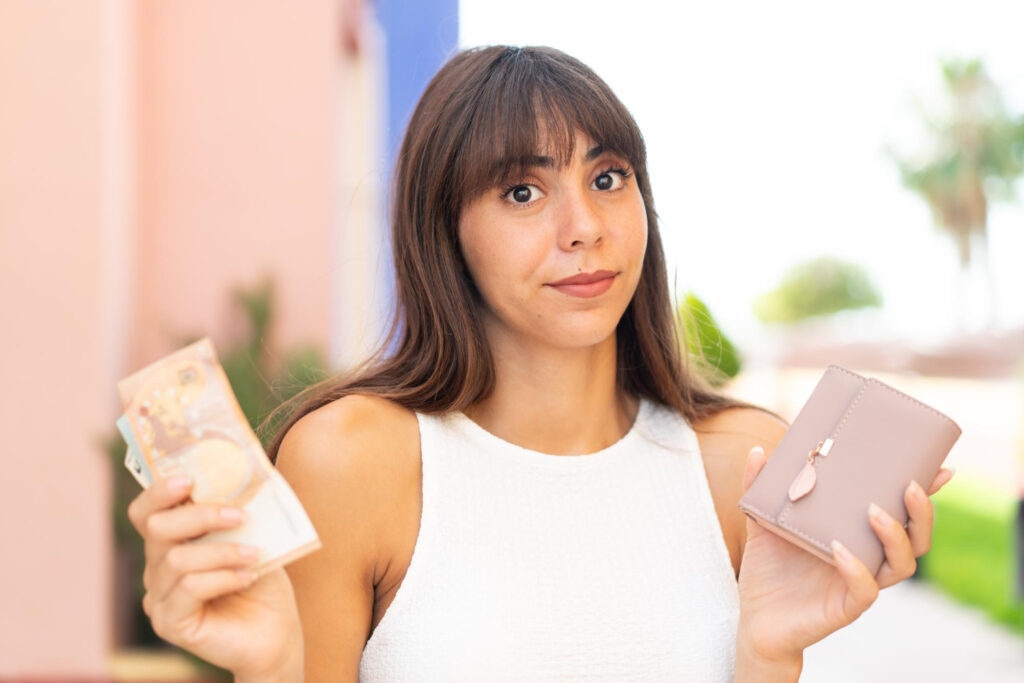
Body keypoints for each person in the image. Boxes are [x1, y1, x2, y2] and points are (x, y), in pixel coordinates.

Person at [126, 45, 955, 682]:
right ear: (443, 227)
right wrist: (269, 664)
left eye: (608, 176)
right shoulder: (355, 458)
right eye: (522, 191)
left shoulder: (740, 460)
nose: (584, 226)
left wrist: (770, 655)